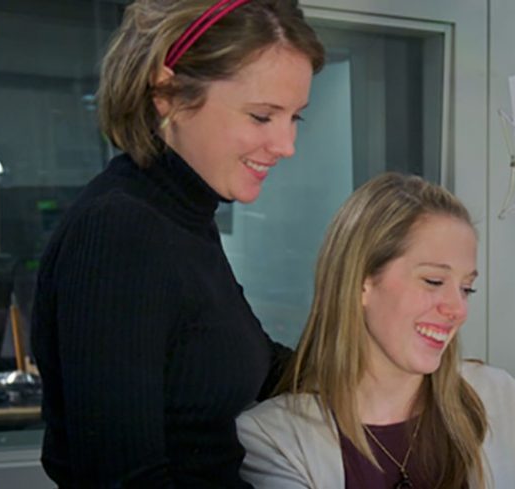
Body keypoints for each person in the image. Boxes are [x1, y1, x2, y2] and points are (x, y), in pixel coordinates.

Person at [30, 0, 324, 486]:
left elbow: (249, 359)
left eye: (296, 118)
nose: (286, 144)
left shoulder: (185, 215)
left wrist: (372, 364)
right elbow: (122, 477)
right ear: (168, 93)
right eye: (261, 116)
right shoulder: (121, 230)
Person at [236, 173, 515, 488]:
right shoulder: (270, 438)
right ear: (362, 282)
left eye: (466, 288)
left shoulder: (501, 398)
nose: (457, 309)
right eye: (433, 281)